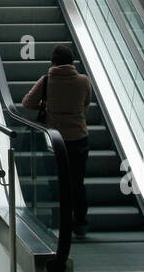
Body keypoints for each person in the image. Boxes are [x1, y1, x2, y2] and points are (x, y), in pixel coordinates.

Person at [21, 45, 92, 238]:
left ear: (53, 61)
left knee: (58, 183)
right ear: (72, 62)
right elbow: (87, 102)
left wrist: (46, 106)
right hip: (79, 137)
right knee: (77, 182)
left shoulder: (46, 81)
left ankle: (62, 223)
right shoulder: (83, 80)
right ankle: (81, 224)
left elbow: (27, 103)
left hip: (54, 140)